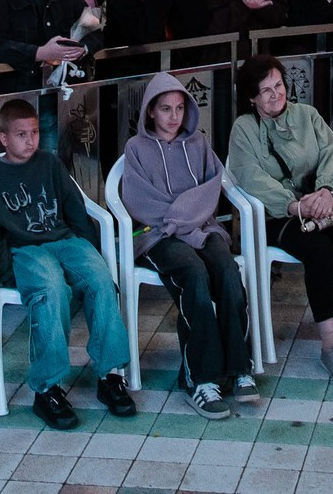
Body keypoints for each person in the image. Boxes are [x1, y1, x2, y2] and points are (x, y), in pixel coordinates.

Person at [224, 54, 333, 385]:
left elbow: (331, 154)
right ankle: (331, 345)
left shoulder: (307, 115)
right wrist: (294, 205)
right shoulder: (244, 130)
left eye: (278, 85)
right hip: (279, 215)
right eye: (265, 90)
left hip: (324, 203)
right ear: (252, 97)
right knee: (320, 251)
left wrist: (326, 191)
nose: (275, 94)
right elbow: (249, 177)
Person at [0, 96, 137, 429]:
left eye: (34, 132)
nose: (30, 140)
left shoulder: (49, 163)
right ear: (3, 138)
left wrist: (89, 250)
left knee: (102, 281)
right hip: (26, 250)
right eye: (21, 134)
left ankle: (110, 375)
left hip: (64, 241)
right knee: (51, 290)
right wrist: (4, 272)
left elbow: (76, 209)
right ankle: (47, 388)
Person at [116, 72, 255, 418]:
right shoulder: (136, 149)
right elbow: (138, 200)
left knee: (228, 271)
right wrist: (176, 222)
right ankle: (200, 379)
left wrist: (187, 219)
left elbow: (211, 188)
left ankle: (239, 368)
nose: (174, 116)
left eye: (179, 108)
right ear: (151, 111)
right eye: (166, 109)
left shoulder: (198, 143)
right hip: (157, 234)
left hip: (201, 228)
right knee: (194, 275)